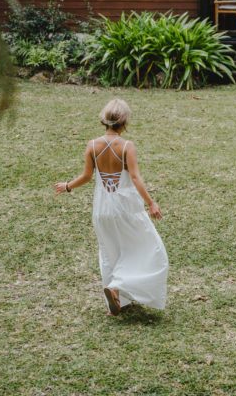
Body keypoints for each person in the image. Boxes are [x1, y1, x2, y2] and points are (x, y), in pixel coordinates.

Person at [55, 98, 168, 316]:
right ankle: (117, 287)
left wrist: (67, 186)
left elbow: (87, 176)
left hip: (102, 209)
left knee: (109, 252)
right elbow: (135, 177)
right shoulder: (127, 146)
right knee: (147, 248)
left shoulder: (92, 145)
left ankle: (116, 303)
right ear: (124, 122)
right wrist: (151, 203)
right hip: (126, 207)